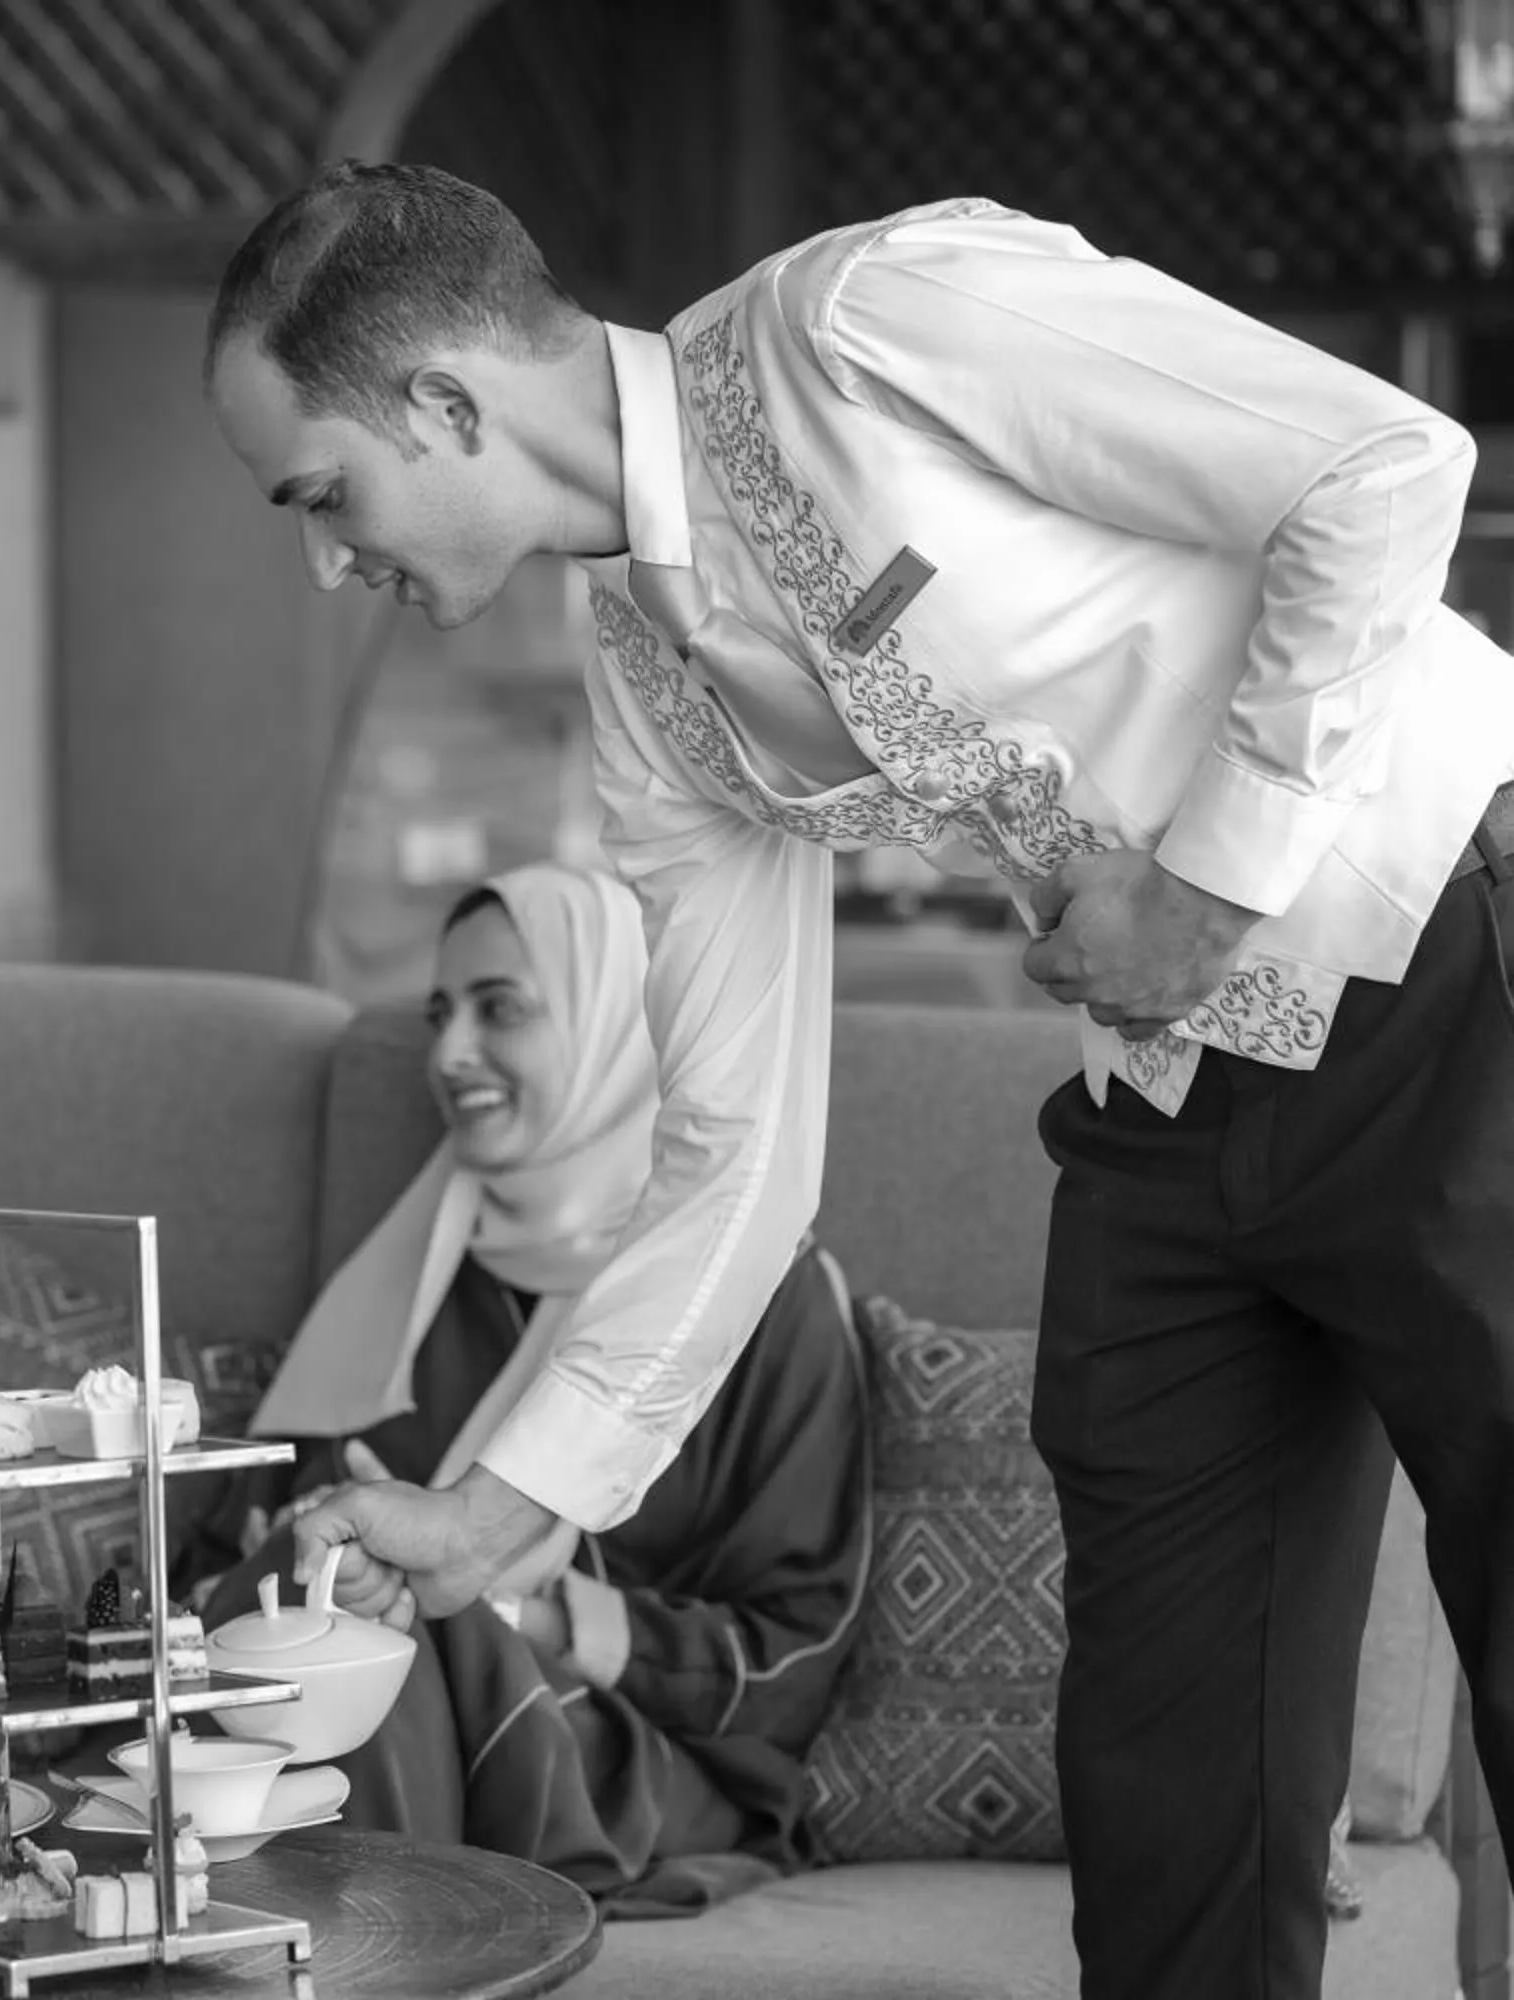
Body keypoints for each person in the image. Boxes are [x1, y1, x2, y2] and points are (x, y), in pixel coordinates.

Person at [204, 160, 1514, 1998]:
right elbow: (736, 1155)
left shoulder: (878, 321)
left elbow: (1385, 472)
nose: (330, 559)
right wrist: (492, 1513)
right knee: (1165, 1777)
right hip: (1161, 1099)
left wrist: (1212, 883)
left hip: (1451, 953)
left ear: (445, 404)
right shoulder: (647, 695)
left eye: (323, 495)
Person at [188, 864, 864, 1913]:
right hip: (384, 1735)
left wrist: (515, 1606)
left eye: (500, 1007)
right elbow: (231, 1570)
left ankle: (351, 1946)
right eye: (439, 1014)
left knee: (398, 1647)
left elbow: (796, 1662)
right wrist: (320, 1560)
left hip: (642, 1760)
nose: (450, 1053)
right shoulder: (408, 1278)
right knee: (358, 1640)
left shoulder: (764, 1301)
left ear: (616, 1027)